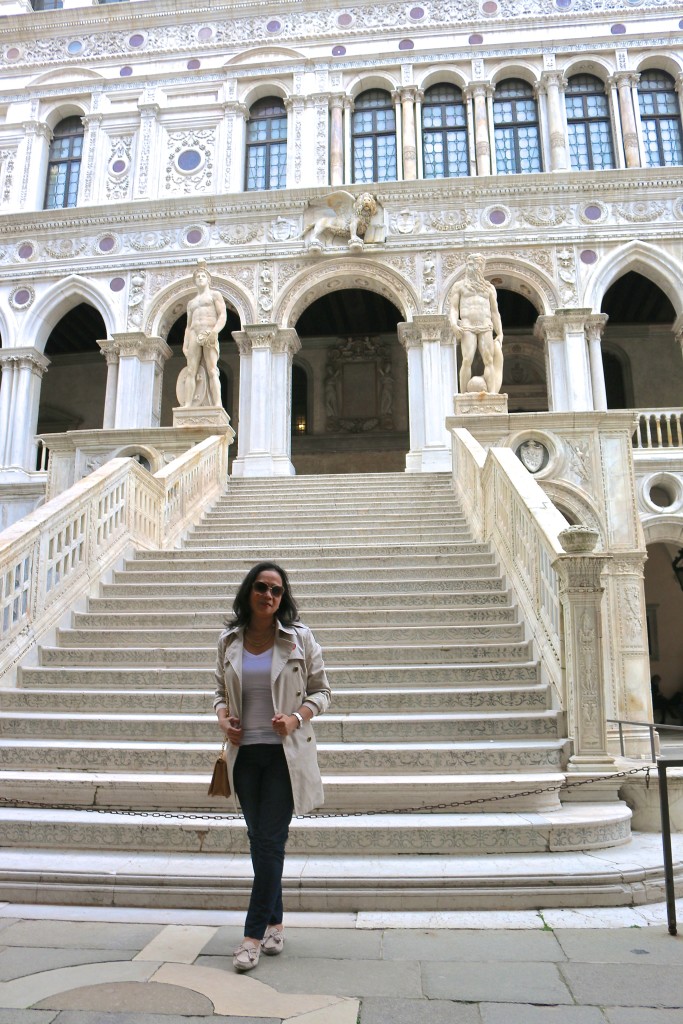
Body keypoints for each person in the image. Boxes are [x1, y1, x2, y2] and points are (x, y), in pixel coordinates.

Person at [213, 561, 331, 973]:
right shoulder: (229, 640)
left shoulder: (299, 639)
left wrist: (296, 717)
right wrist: (223, 717)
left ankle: (251, 936)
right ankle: (276, 923)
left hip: (284, 755)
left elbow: (323, 691)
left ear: (284, 598)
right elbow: (217, 690)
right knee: (259, 841)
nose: (269, 596)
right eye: (262, 587)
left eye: (277, 591)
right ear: (249, 591)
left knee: (269, 843)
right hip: (245, 756)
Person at [449, 253, 504, 394]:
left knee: (489, 360)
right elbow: (454, 308)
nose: (474, 267)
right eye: (471, 264)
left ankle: (492, 394)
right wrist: (454, 324)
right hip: (467, 326)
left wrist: (500, 332)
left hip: (486, 326)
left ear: (482, 267)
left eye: (478, 265)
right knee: (467, 360)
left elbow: (494, 312)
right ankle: (463, 395)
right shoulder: (459, 286)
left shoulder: (489, 288)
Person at [183, 262, 226, 407]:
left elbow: (222, 316)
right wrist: (185, 344)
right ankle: (188, 404)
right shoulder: (191, 303)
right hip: (194, 334)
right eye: (198, 276)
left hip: (209, 332)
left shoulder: (215, 295)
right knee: (191, 370)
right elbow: (188, 326)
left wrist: (214, 332)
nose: (200, 278)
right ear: (195, 281)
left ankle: (217, 403)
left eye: (203, 276)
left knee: (212, 370)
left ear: (208, 279)